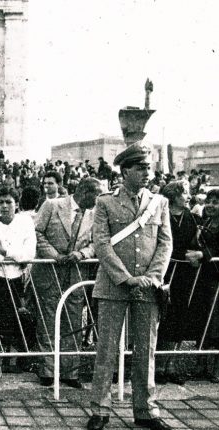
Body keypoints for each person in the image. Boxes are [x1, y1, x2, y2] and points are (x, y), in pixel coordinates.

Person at [87, 144, 172, 430]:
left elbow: (165, 243)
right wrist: (126, 278)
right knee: (107, 350)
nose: (147, 172)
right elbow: (101, 243)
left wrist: (152, 276)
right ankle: (100, 410)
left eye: (148, 167)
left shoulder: (159, 203)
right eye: (140, 168)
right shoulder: (105, 202)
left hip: (148, 286)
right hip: (113, 285)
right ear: (125, 172)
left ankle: (146, 410)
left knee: (146, 351)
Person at [32, 177, 102, 388]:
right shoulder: (52, 205)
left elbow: (96, 242)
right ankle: (47, 370)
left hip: (76, 273)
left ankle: (70, 372)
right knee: (48, 318)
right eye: (97, 195)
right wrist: (53, 254)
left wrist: (81, 254)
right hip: (49, 271)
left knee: (73, 320)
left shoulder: (94, 214)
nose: (99, 201)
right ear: (84, 192)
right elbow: (36, 232)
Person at [0, 187, 37, 386]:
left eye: (9, 202)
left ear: (16, 203)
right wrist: (10, 256)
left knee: (5, 327)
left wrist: (7, 252)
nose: (4, 206)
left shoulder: (25, 222)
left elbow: (29, 254)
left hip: (14, 280)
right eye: (1, 202)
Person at [153, 181, 202, 385]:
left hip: (185, 276)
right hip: (165, 273)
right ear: (174, 196)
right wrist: (184, 255)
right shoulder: (161, 216)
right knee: (163, 318)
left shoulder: (193, 218)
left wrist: (200, 253)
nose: (189, 197)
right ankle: (157, 366)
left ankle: (170, 365)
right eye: (185, 193)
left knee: (179, 318)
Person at [192, 188, 219, 382]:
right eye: (209, 201)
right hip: (204, 278)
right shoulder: (206, 222)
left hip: (217, 280)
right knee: (203, 320)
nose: (211, 205)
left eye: (216, 202)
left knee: (216, 322)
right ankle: (200, 365)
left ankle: (215, 369)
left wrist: (205, 255)